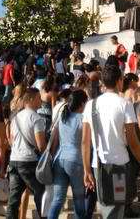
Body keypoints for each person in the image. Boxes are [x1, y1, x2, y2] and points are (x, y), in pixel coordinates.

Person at [81, 65, 140, 219]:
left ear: (103, 82)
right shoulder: (124, 104)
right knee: (118, 208)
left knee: (106, 206)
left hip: (98, 166)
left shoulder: (90, 105)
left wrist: (86, 170)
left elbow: (85, 142)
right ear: (119, 81)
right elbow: (132, 141)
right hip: (120, 164)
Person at [6, 88, 47, 219]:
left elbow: (12, 140)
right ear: (31, 99)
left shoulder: (16, 117)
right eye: (38, 98)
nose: (41, 101)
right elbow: (41, 145)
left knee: (13, 198)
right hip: (29, 161)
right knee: (40, 192)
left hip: (14, 159)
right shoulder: (36, 118)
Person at [48, 90, 88, 219]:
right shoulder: (83, 119)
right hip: (75, 160)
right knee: (78, 198)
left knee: (58, 199)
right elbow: (86, 142)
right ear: (82, 103)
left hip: (59, 159)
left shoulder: (63, 117)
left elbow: (54, 141)